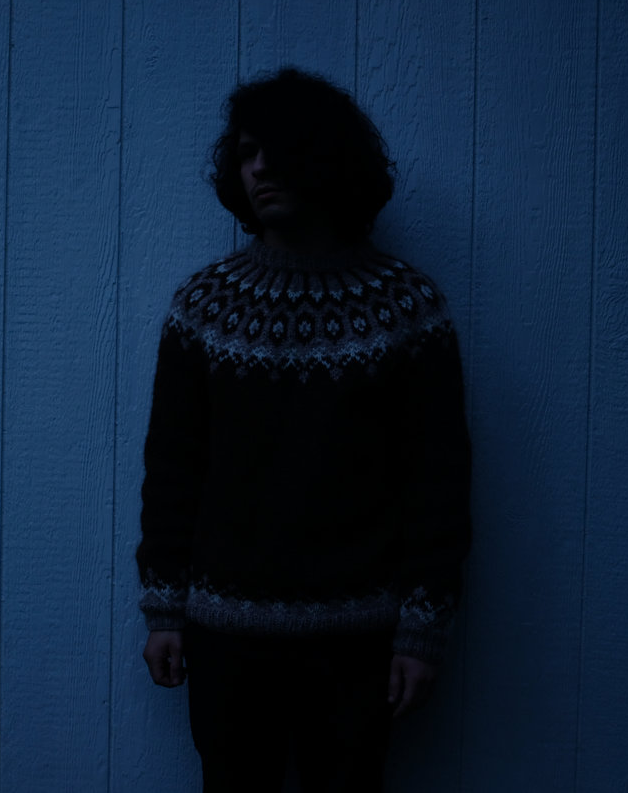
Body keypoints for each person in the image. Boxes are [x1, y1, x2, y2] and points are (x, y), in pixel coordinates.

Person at [136, 67, 472, 792]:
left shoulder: (407, 309)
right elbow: (172, 467)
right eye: (247, 153)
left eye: (279, 149)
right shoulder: (204, 308)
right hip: (224, 638)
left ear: (327, 157)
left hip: (360, 645)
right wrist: (164, 609)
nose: (260, 168)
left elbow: (438, 480)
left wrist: (423, 629)